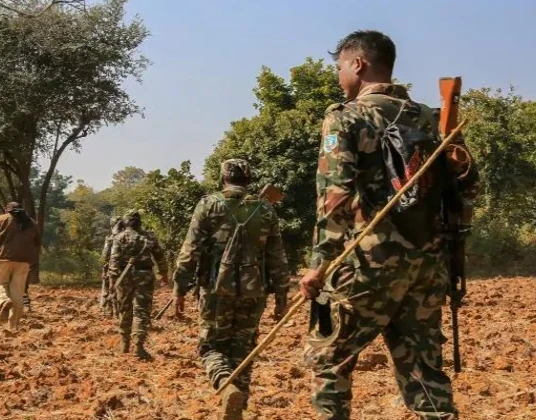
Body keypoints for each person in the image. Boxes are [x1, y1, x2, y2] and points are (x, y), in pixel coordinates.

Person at [298, 30, 478, 420]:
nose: (339, 76)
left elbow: (334, 197)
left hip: (369, 263)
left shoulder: (346, 116)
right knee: (423, 372)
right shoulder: (432, 118)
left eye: (340, 67)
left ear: (358, 64)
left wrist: (319, 264)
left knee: (328, 359)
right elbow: (464, 190)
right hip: (427, 265)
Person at [172, 159, 290, 420]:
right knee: (244, 350)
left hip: (215, 292)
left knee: (211, 348)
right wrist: (282, 297)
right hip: (254, 291)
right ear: (248, 180)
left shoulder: (208, 205)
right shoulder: (265, 210)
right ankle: (238, 408)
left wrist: (179, 288)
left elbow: (190, 252)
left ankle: (226, 384)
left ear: (223, 178)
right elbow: (277, 258)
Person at [108, 210, 168, 360]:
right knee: (141, 311)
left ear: (125, 222)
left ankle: (124, 344)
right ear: (140, 222)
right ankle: (138, 346)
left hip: (124, 277)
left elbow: (114, 260)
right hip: (144, 276)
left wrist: (113, 281)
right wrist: (164, 273)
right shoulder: (149, 237)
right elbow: (159, 256)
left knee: (124, 309)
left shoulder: (119, 237)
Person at [0, 202, 39, 330]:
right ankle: (13, 327)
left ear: (7, 210)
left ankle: (4, 300)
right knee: (18, 295)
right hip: (24, 262)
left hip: (3, 259)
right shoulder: (32, 223)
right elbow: (37, 242)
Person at [100, 216, 125, 317]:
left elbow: (105, 256)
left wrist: (104, 270)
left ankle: (109, 312)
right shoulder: (127, 236)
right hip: (126, 269)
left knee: (109, 290)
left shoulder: (110, 238)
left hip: (112, 268)